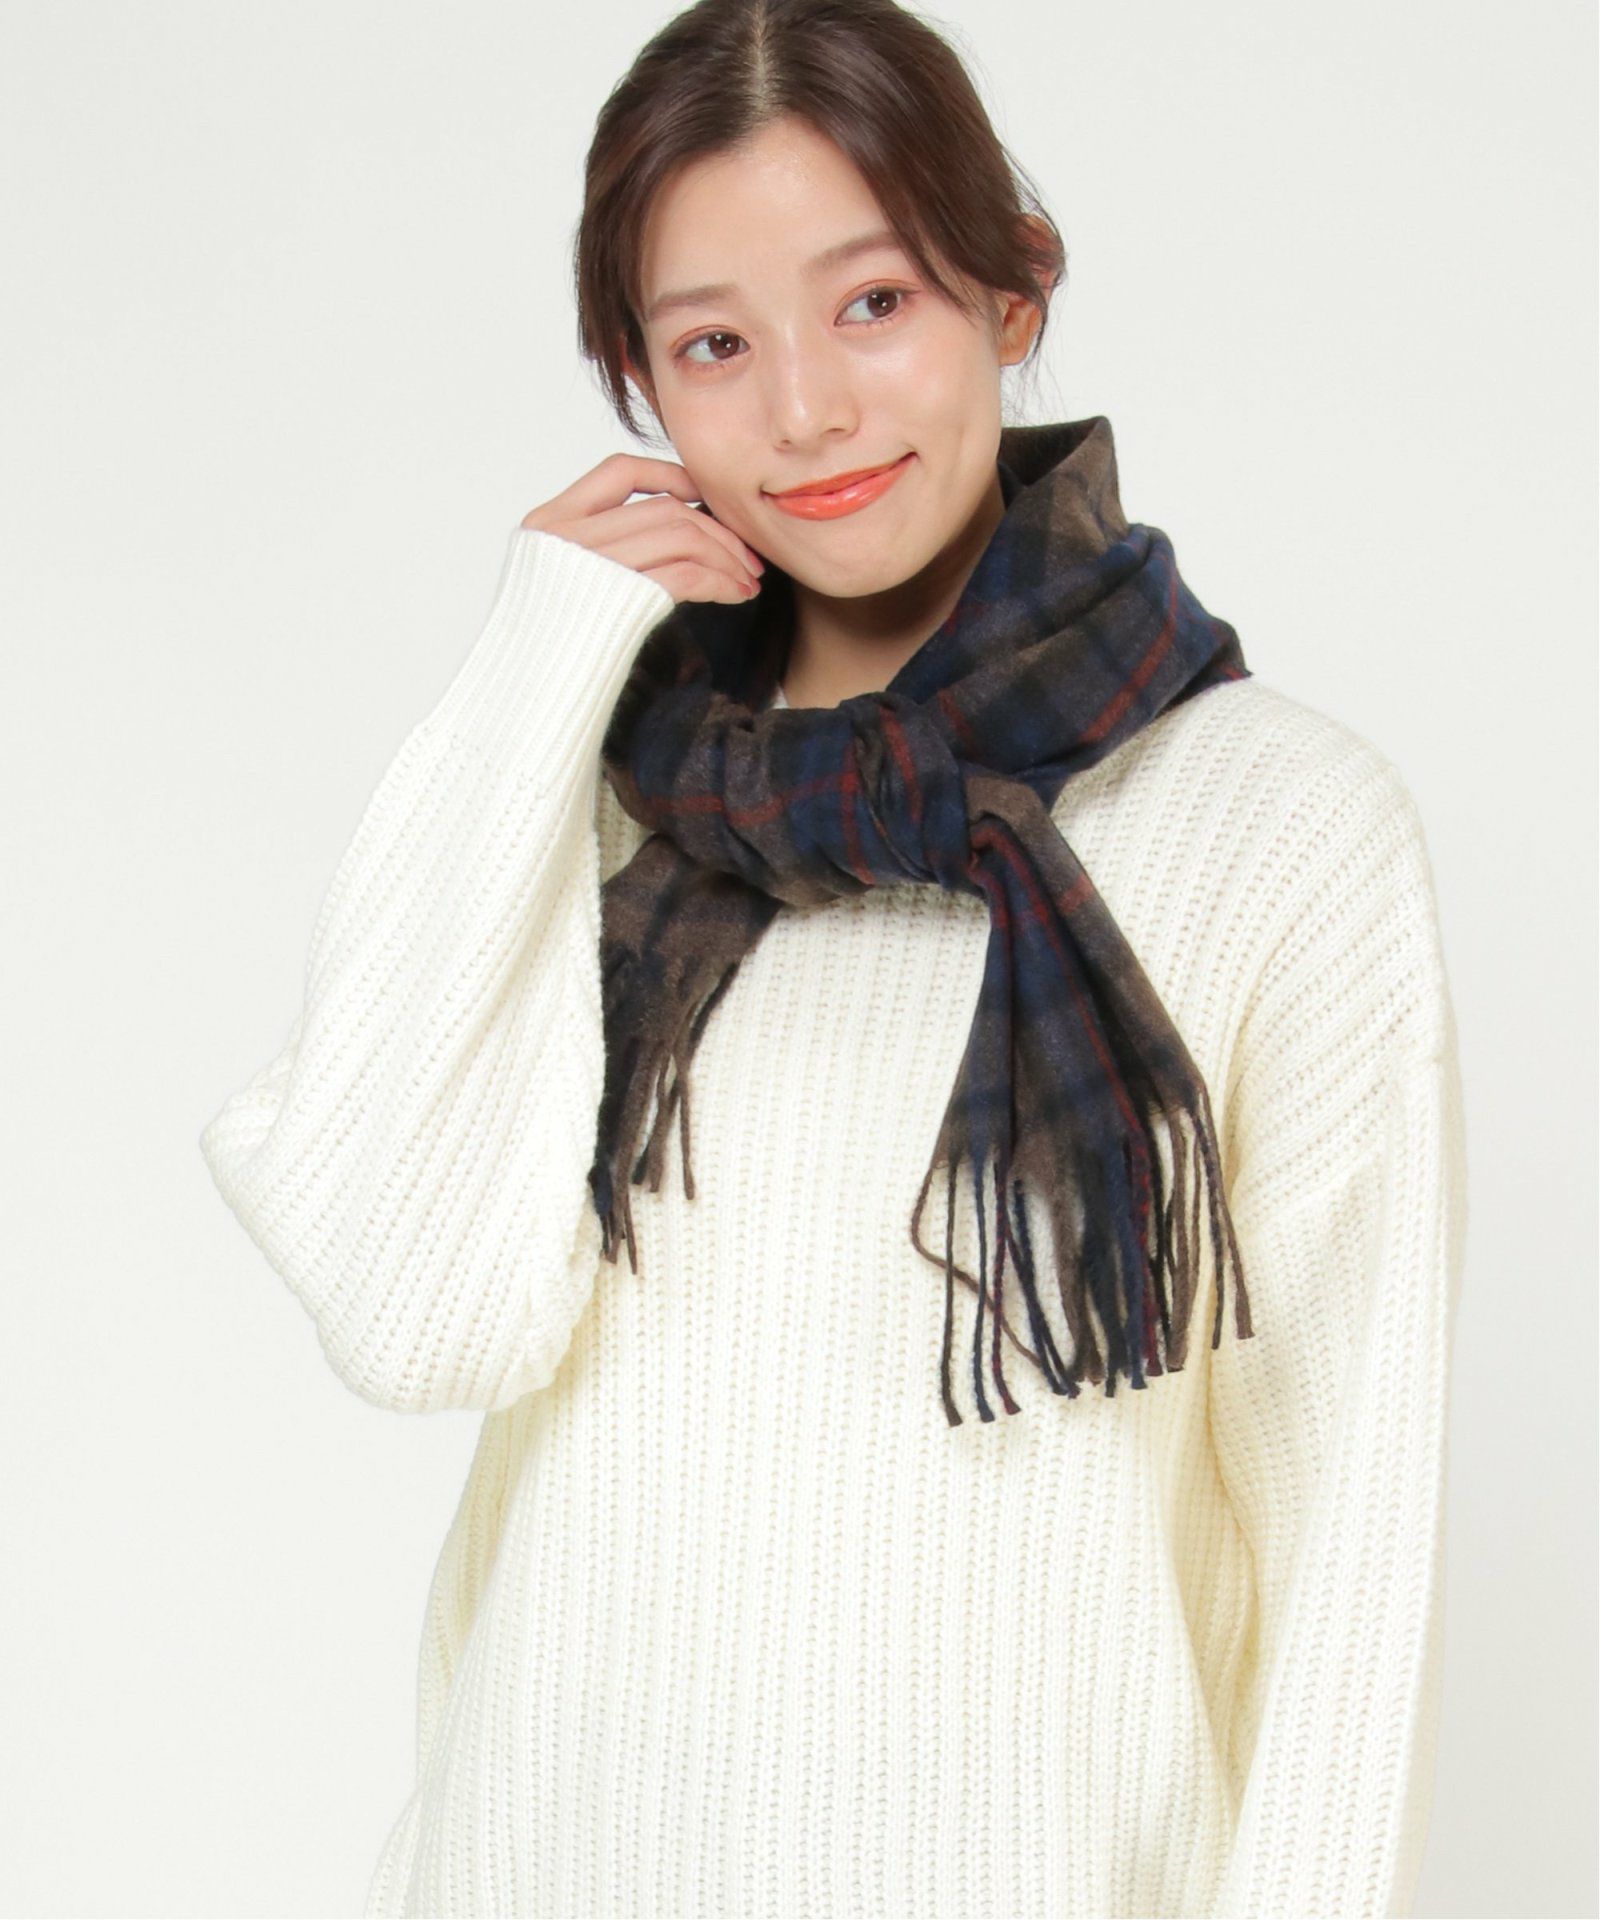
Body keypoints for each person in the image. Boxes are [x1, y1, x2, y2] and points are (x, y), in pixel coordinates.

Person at [198, 2, 1468, 1915]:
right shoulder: (602, 802)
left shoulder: (1278, 825)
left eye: (873, 302)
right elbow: (412, 1314)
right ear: (641, 383)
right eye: (714, 343)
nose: (803, 411)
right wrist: (531, 666)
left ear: (1013, 292)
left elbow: (1348, 1558)